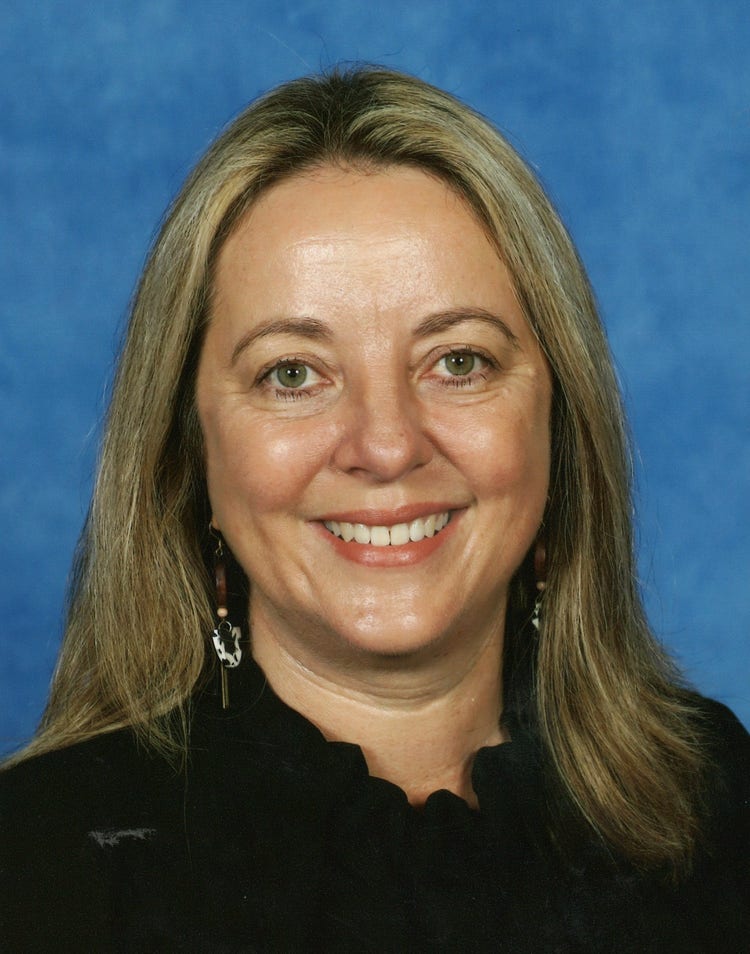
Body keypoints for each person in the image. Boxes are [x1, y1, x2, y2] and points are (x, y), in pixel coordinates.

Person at [1, 66, 747, 952]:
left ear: (560, 423)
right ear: (187, 457)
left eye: (459, 362)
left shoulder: (720, 811)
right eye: (292, 374)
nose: (387, 446)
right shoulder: (37, 867)